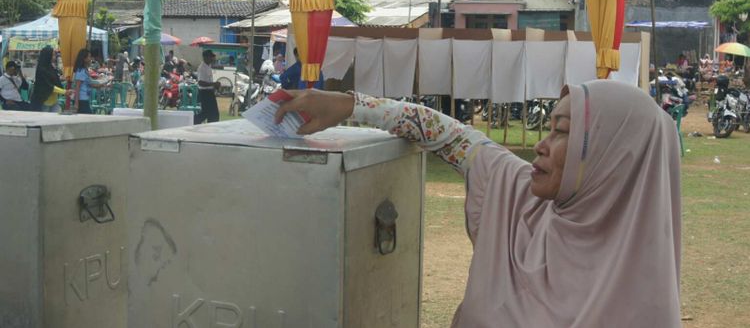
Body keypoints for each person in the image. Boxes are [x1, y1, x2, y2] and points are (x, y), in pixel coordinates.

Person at [275, 80, 682, 327]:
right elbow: (448, 135)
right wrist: (347, 105)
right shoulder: (522, 198)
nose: (540, 145)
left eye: (563, 134)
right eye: (549, 128)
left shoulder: (642, 303)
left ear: (614, 160)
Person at [30, 46, 71, 112]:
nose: (55, 57)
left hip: (54, 101)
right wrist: (64, 92)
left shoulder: (51, 68)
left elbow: (54, 81)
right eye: (53, 55)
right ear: (47, 56)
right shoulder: (41, 69)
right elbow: (48, 86)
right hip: (44, 101)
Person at [73, 48, 109, 114]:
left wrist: (103, 85)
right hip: (81, 100)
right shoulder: (81, 71)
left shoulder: (85, 70)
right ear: (84, 59)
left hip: (86, 99)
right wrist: (76, 104)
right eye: (89, 56)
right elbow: (77, 88)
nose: (90, 58)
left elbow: (91, 84)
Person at [194, 49, 220, 124]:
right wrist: (213, 84)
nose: (212, 59)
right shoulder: (202, 68)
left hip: (209, 92)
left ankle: (211, 126)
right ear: (205, 57)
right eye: (210, 57)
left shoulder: (208, 66)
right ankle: (193, 121)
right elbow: (200, 82)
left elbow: (208, 81)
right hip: (205, 93)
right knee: (208, 113)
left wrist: (215, 86)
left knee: (212, 113)